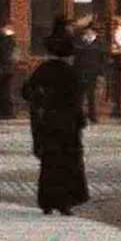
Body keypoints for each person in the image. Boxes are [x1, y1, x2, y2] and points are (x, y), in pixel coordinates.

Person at [22, 20, 89, 216]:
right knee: (67, 162)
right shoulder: (72, 73)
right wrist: (80, 120)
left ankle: (47, 202)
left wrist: (42, 102)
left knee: (50, 162)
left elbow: (27, 91)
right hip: (67, 123)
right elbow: (76, 100)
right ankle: (64, 202)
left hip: (49, 121)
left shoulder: (44, 69)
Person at [74, 24, 104, 125]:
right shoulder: (79, 42)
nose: (88, 33)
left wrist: (101, 73)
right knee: (80, 95)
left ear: (94, 32)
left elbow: (102, 60)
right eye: (87, 31)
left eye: (90, 31)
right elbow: (76, 58)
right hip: (80, 72)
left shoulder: (99, 43)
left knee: (91, 95)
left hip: (93, 73)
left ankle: (92, 117)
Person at [0, 22, 18, 119]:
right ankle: (7, 112)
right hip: (6, 68)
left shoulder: (2, 41)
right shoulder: (9, 41)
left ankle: (4, 113)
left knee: (2, 91)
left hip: (2, 69)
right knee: (5, 91)